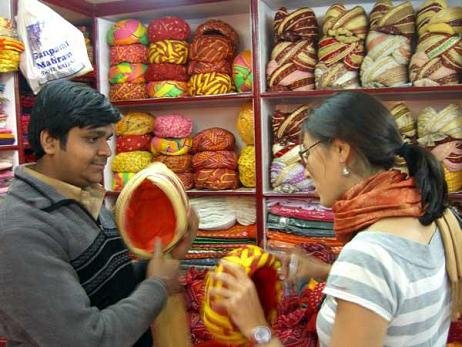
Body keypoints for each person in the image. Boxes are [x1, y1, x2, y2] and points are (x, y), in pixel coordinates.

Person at [210, 91, 462, 346]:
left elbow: (375, 272)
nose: (305, 169)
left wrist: (257, 328)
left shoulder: (368, 255)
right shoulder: (431, 214)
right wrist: (328, 272)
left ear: (341, 150)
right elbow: (396, 293)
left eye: (306, 153)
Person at [0, 80, 198, 347]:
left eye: (107, 139)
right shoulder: (21, 231)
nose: (106, 151)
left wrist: (166, 259)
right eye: (92, 138)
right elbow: (84, 340)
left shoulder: (83, 195)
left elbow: (105, 286)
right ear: (49, 142)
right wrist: (157, 286)